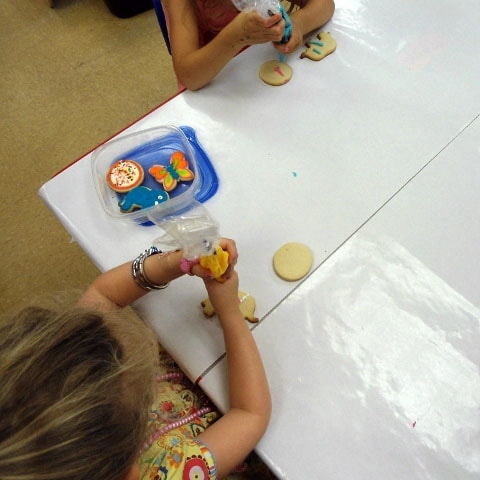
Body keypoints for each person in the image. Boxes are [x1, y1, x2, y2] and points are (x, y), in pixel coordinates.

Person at [0, 239, 272, 480]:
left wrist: (177, 261)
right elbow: (250, 414)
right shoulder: (168, 472)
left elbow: (102, 295)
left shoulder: (63, 371)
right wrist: (229, 312)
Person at [161, 0, 335, 90]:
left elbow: (325, 4)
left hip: (261, 84)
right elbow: (189, 76)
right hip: (214, 82)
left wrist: (298, 24)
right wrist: (236, 37)